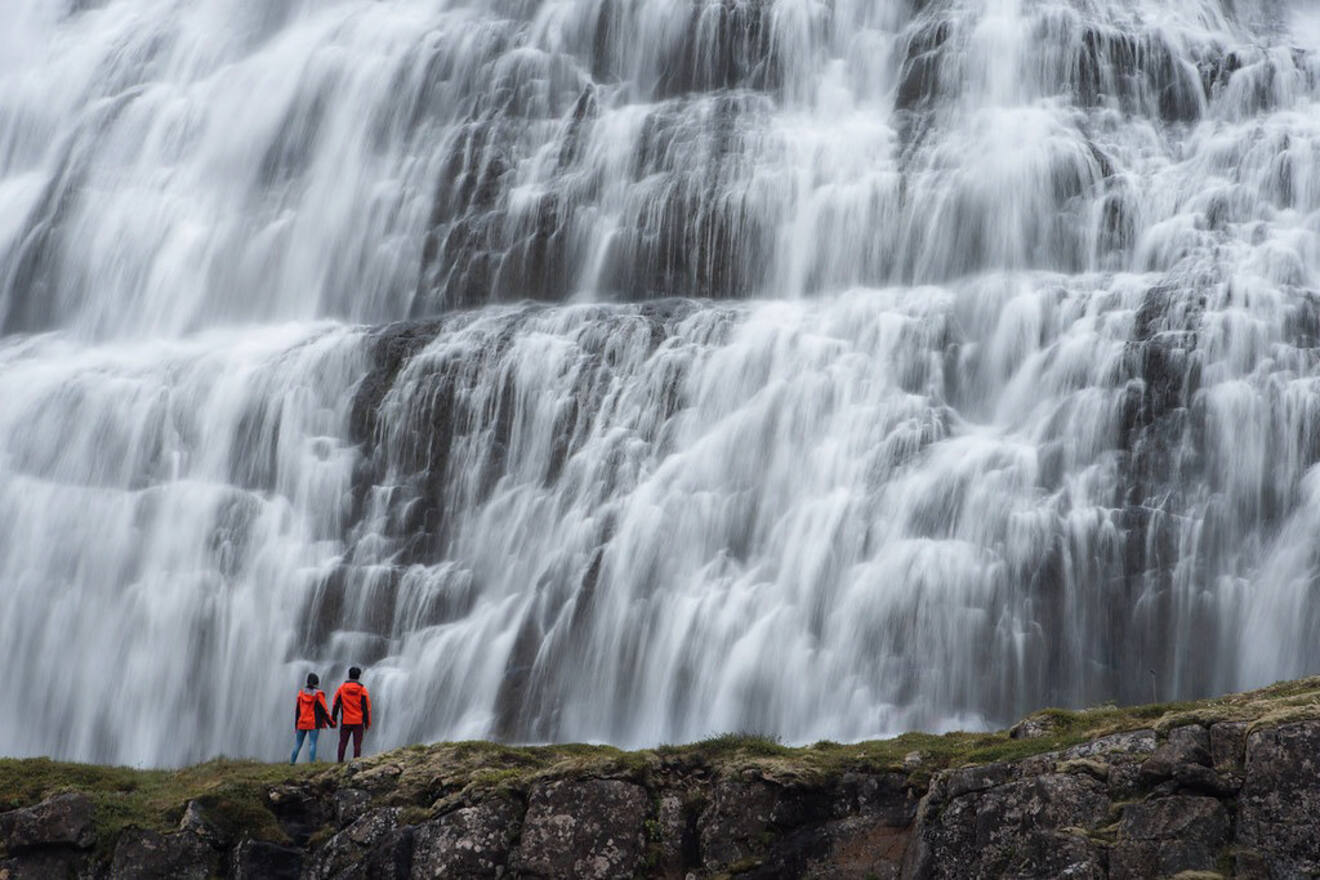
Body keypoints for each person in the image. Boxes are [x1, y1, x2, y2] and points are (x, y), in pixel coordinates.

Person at [290, 673, 334, 764]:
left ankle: (292, 762)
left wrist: (296, 724)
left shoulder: (301, 693)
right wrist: (330, 722)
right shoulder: (318, 694)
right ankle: (312, 762)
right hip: (313, 723)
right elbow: (323, 710)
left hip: (301, 722)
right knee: (312, 743)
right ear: (317, 682)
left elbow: (298, 710)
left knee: (298, 744)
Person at [332, 666, 372, 762]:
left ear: (349, 675)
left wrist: (333, 719)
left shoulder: (341, 689)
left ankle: (339, 762)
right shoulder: (362, 690)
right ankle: (356, 763)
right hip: (358, 721)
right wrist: (367, 722)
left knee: (342, 743)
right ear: (359, 676)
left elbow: (335, 705)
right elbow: (366, 708)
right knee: (357, 745)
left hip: (346, 720)